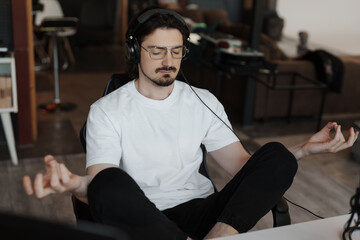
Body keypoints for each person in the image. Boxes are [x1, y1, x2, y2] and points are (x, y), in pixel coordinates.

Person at [23, 7, 359, 240]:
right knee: (109, 183)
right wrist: (75, 184)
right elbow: (100, 185)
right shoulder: (107, 110)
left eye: (176, 51)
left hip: (205, 213)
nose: (168, 62)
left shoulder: (202, 100)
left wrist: (301, 150)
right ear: (134, 51)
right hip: (144, 217)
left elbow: (241, 166)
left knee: (275, 154)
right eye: (156, 51)